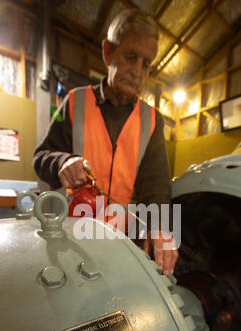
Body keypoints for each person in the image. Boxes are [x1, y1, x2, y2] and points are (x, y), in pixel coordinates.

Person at [33, 9, 178, 275]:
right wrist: (63, 162)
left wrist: (162, 228)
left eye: (145, 64)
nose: (136, 71)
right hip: (70, 238)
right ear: (108, 52)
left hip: (120, 246)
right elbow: (40, 157)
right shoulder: (76, 102)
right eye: (130, 57)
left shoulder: (152, 120)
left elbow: (157, 188)